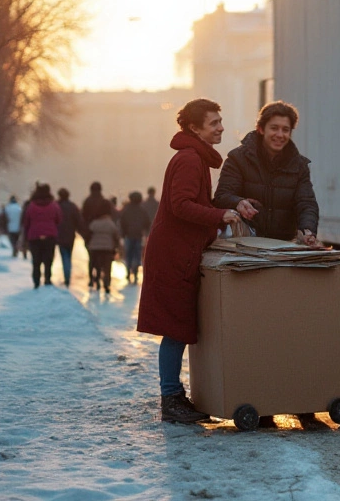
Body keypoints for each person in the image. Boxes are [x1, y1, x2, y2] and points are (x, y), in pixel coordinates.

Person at [137, 98, 240, 424]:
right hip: (173, 258)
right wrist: (220, 214)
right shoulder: (189, 160)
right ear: (195, 128)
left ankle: (174, 396)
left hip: (179, 255)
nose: (221, 127)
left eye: (220, 121)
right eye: (214, 123)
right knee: (175, 328)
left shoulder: (194, 158)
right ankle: (170, 398)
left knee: (178, 327)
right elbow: (180, 205)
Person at [213, 101, 320, 247]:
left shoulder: (299, 166)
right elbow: (222, 196)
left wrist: (308, 230)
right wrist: (237, 202)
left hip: (283, 245)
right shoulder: (238, 158)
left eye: (285, 130)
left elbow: (306, 203)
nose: (280, 135)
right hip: (244, 245)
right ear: (261, 129)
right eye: (274, 128)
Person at [22, 184, 62, 289]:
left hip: (34, 236)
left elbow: (26, 221)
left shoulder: (31, 206)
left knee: (36, 260)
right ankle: (47, 279)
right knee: (48, 259)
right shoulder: (54, 205)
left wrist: (26, 236)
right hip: (50, 235)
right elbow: (59, 219)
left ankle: (36, 281)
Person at [86, 207, 122, 294]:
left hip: (95, 248)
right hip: (107, 248)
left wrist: (87, 244)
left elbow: (88, 235)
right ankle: (106, 283)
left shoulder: (94, 223)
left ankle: (94, 279)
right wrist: (116, 247)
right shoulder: (111, 224)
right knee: (107, 267)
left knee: (94, 264)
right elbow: (116, 236)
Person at [119, 191, 150, 284]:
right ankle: (135, 273)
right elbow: (147, 222)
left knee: (128, 255)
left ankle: (128, 272)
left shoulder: (126, 209)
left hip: (128, 235)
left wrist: (123, 233)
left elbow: (122, 222)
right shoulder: (142, 210)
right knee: (137, 255)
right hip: (138, 236)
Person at [55, 188, 85, 286]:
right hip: (70, 234)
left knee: (64, 255)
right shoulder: (73, 207)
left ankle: (66, 276)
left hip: (59, 234)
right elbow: (79, 221)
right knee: (69, 255)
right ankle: (68, 276)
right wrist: (82, 233)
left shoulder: (56, 206)